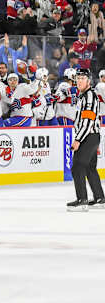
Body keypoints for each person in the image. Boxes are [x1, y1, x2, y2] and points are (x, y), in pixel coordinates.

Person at [67, 68, 105, 211]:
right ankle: (100, 198)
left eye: (83, 78)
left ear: (88, 81)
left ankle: (82, 200)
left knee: (77, 166)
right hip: (92, 136)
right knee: (90, 168)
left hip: (87, 136)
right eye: (78, 78)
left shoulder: (89, 96)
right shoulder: (84, 96)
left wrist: (78, 139)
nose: (79, 81)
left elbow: (88, 122)